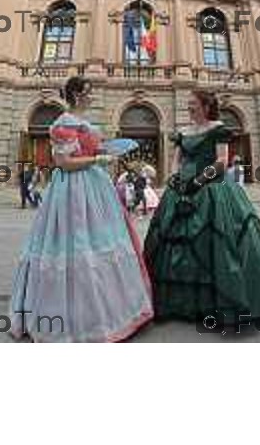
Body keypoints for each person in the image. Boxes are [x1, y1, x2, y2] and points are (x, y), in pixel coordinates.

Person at [9, 77, 153, 342]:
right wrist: (98, 158)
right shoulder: (63, 123)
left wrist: (106, 149)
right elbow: (64, 162)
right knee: (78, 245)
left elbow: (86, 149)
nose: (92, 96)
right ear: (76, 95)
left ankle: (101, 310)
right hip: (74, 189)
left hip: (95, 187)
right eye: (88, 92)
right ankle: (79, 315)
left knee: (98, 244)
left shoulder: (81, 123)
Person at [144, 91, 260, 327]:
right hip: (180, 191)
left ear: (206, 106)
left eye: (193, 104)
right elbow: (176, 159)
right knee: (172, 241)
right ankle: (181, 303)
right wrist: (175, 177)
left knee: (217, 242)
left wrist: (198, 180)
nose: (189, 107)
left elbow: (221, 161)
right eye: (189, 104)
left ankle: (219, 303)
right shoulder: (184, 132)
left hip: (212, 188)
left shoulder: (218, 128)